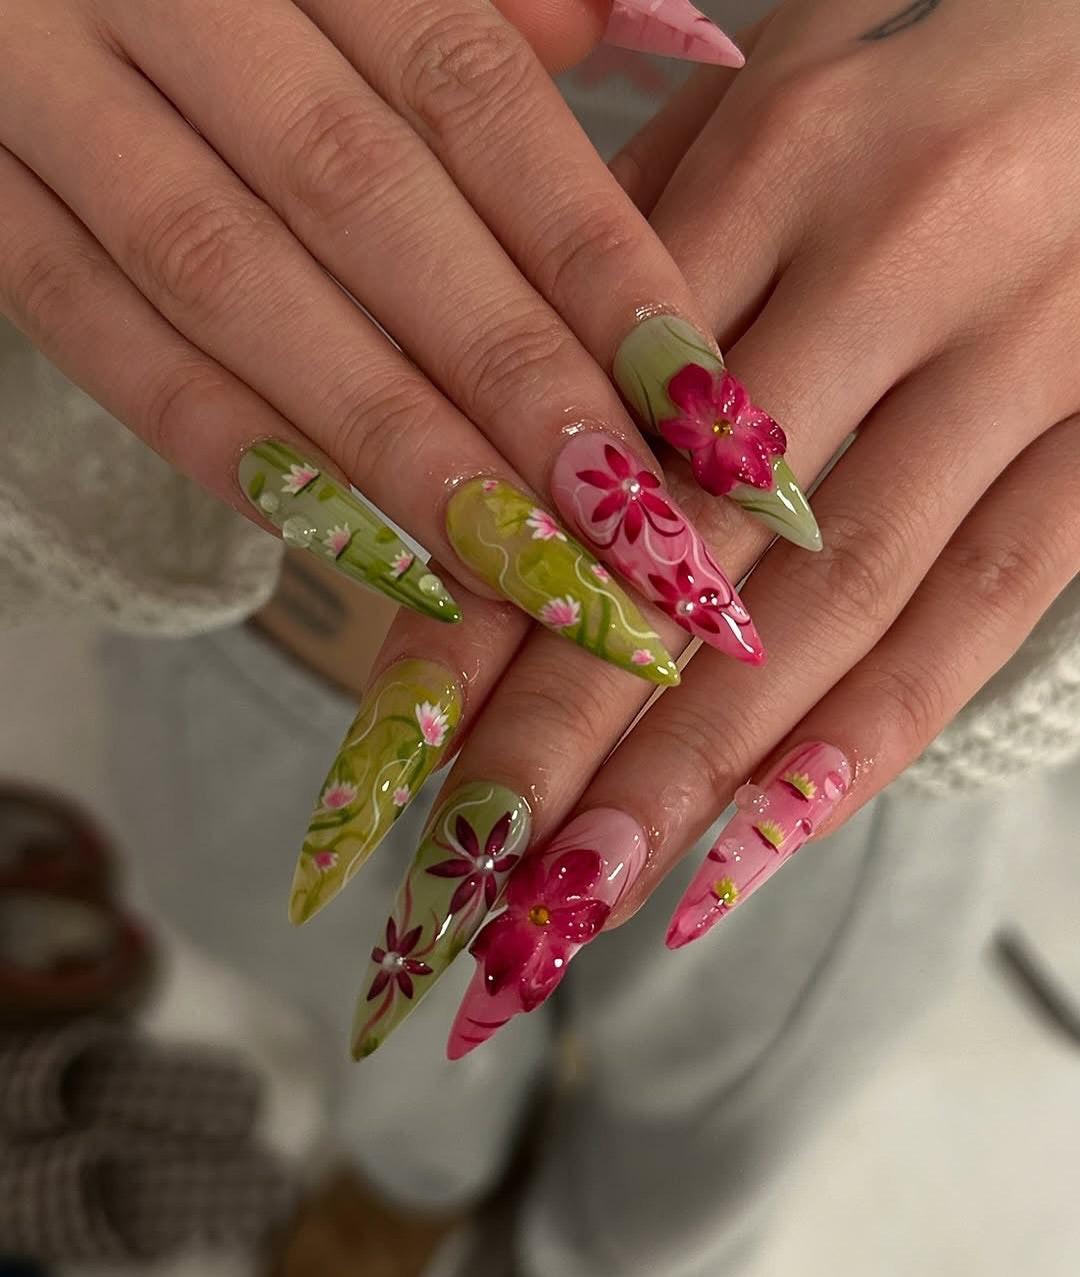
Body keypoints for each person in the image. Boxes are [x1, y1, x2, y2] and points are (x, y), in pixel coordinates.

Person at [2, 0, 1078, 1272]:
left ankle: (599, 1251)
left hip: (945, 393)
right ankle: (415, 1175)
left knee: (739, 1063)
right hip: (202, 315)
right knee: (308, 914)